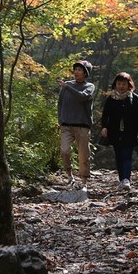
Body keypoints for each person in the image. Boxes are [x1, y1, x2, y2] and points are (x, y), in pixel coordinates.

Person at [100, 72, 138, 191]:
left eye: (124, 84)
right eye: (119, 84)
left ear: (129, 85)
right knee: (118, 156)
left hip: (130, 132)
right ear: (115, 84)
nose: (121, 86)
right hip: (114, 132)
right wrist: (104, 127)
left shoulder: (134, 98)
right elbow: (106, 115)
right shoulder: (111, 98)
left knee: (127, 155)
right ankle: (122, 180)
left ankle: (126, 179)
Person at [56, 60, 95, 191]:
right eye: (76, 69)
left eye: (80, 70)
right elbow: (60, 103)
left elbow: (82, 97)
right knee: (64, 150)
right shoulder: (66, 85)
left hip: (82, 125)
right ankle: (69, 176)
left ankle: (84, 181)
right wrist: (60, 119)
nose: (76, 72)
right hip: (66, 125)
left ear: (85, 73)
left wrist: (67, 87)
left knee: (84, 154)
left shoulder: (89, 86)